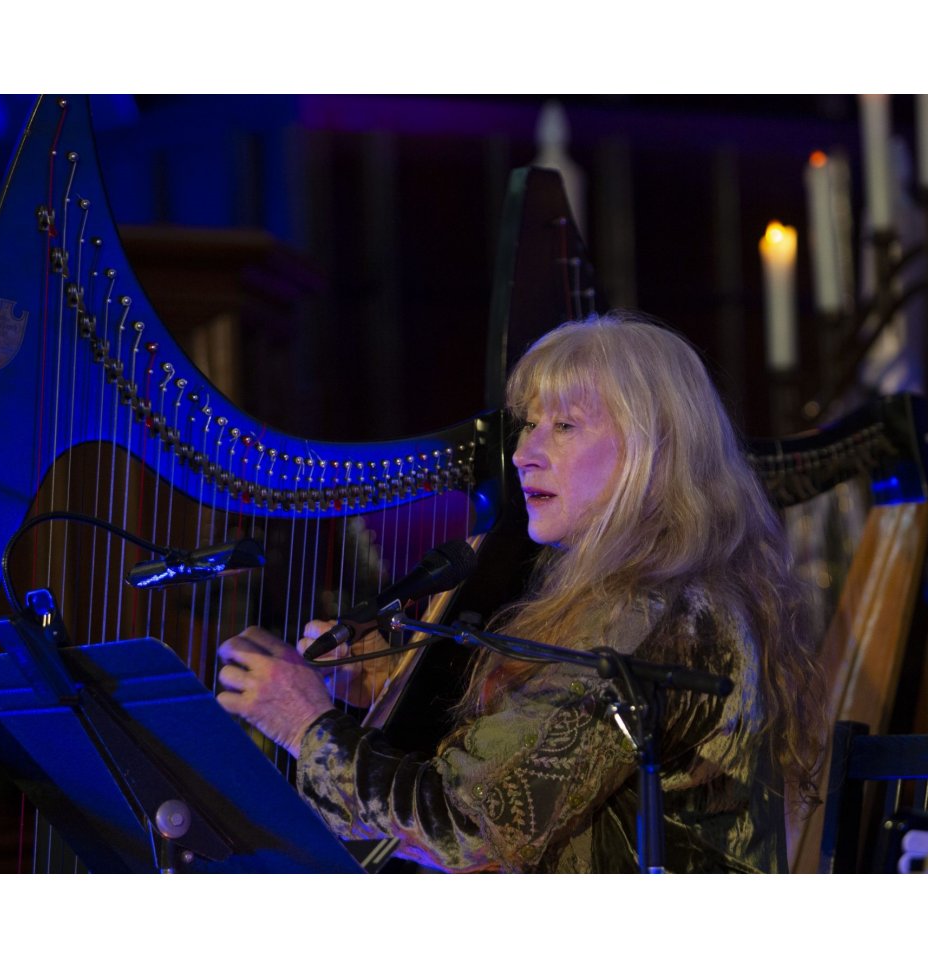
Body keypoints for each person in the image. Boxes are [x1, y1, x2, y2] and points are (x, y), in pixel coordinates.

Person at [215, 311, 824, 872]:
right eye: (529, 425)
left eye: (564, 426)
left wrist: (304, 725)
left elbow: (469, 827)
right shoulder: (645, 593)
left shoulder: (655, 613)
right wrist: (375, 685)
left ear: (651, 449)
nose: (525, 453)